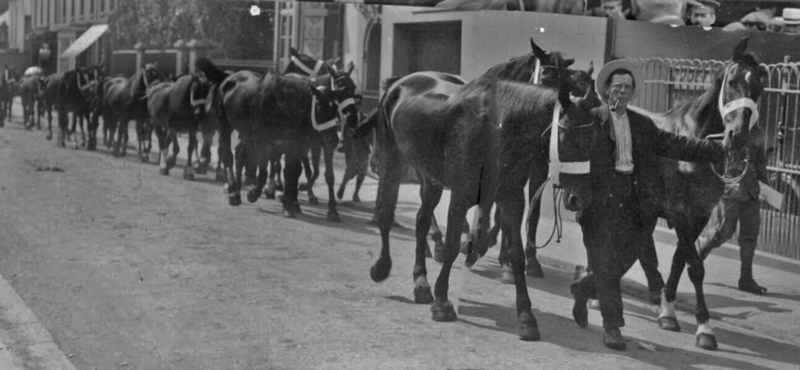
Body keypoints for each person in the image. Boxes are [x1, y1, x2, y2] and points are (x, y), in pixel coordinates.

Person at [570, 60, 725, 351]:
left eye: (628, 87)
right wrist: (574, 190)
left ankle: (586, 286)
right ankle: (612, 327)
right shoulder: (591, 120)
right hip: (598, 205)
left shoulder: (643, 125)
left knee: (622, 262)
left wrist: (715, 148)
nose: (622, 91)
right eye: (617, 86)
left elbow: (676, 144)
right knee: (607, 265)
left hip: (632, 205)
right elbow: (573, 155)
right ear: (606, 90)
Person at [696, 132, 769, 295]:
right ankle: (697, 258)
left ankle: (746, 278)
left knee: (750, 237)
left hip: (752, 193)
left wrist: (766, 188)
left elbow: (761, 165)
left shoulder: (757, 136)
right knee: (722, 233)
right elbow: (712, 159)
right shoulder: (727, 133)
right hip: (730, 193)